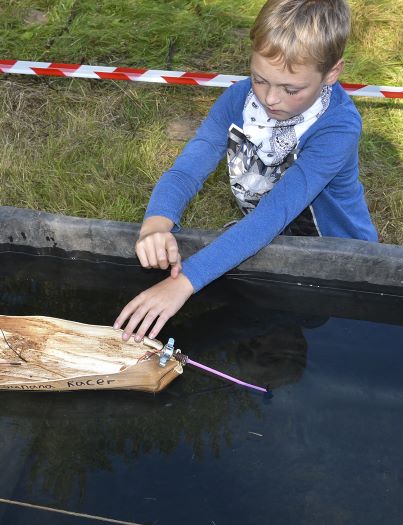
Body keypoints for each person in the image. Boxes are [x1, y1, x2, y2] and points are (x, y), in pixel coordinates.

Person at [114, 0, 378, 342]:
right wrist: (156, 224)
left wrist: (183, 282)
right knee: (222, 326)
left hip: (338, 259)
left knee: (287, 329)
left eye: (291, 89)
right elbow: (185, 172)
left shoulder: (337, 128)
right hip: (267, 239)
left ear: (331, 74)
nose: (270, 99)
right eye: (260, 79)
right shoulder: (237, 101)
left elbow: (273, 214)